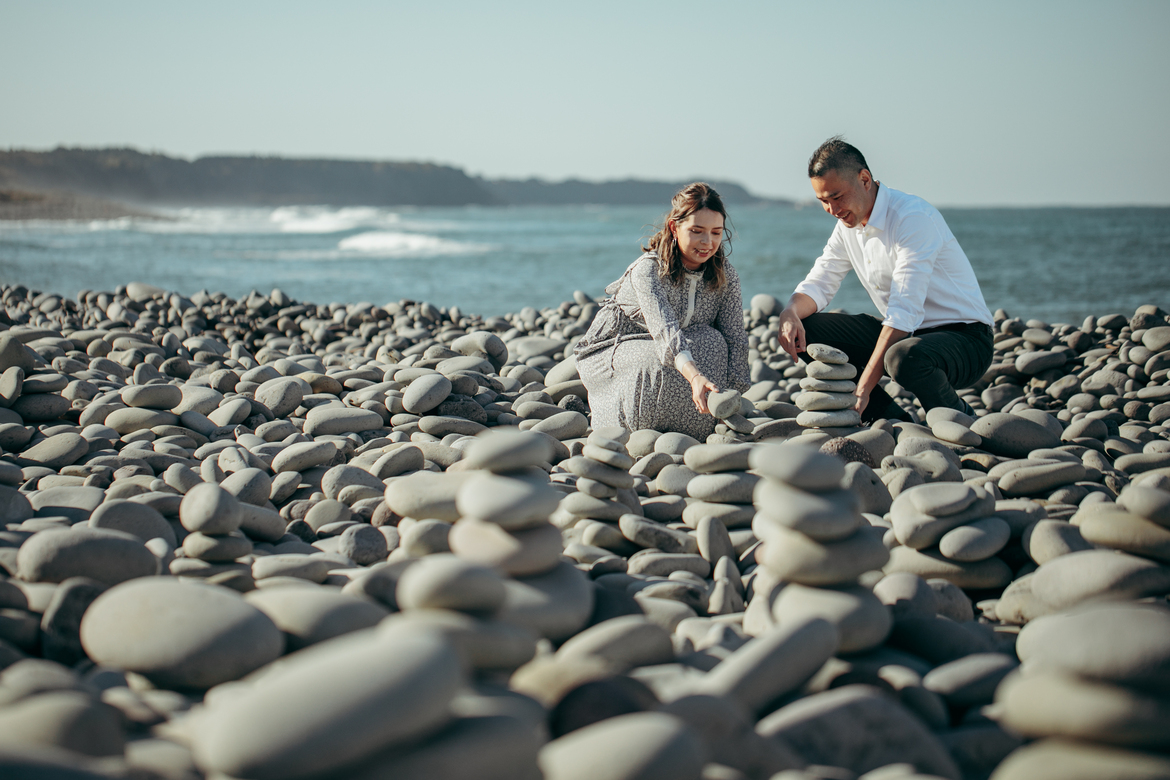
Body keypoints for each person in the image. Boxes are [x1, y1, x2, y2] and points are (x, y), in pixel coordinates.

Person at [778, 136, 994, 423]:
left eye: (837, 197)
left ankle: (960, 420)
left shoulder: (912, 217)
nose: (832, 209)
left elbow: (904, 311)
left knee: (903, 358)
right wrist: (790, 312)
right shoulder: (847, 226)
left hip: (966, 339)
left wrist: (865, 385)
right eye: (823, 201)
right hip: (907, 336)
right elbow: (820, 282)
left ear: (865, 179)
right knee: (805, 330)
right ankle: (891, 422)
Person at [575, 182, 751, 440]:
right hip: (620, 345)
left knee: (714, 343)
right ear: (674, 228)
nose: (707, 242)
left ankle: (695, 425)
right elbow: (665, 331)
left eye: (716, 233)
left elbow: (735, 335)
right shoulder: (648, 270)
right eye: (697, 231)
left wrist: (733, 397)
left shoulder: (726, 275)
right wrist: (694, 377)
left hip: (680, 345)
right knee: (654, 362)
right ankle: (633, 429)